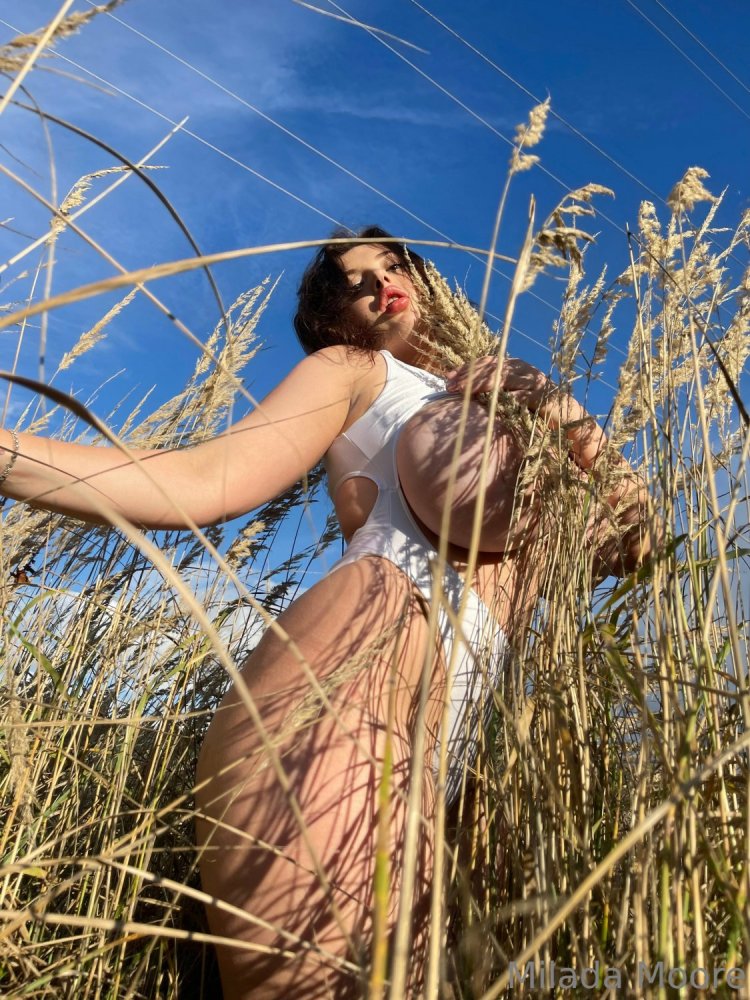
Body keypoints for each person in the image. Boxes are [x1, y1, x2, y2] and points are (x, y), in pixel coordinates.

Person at [0, 227, 653, 999]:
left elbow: (635, 542)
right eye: (352, 282)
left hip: (455, 750)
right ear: (335, 321)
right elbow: (204, 481)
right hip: (340, 701)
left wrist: (550, 401)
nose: (379, 283)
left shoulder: (516, 402)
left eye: (393, 264)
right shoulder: (361, 374)